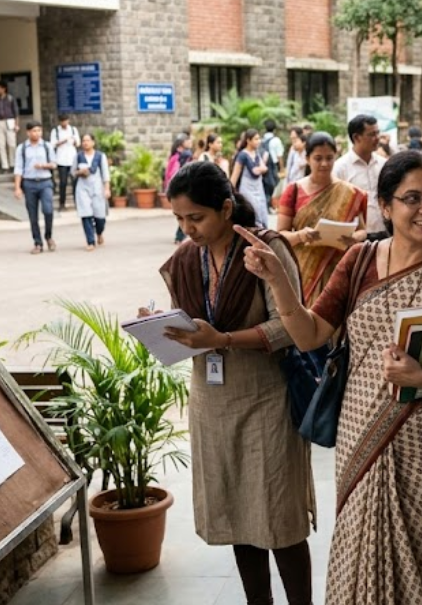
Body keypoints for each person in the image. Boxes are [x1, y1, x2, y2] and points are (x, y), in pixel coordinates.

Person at [237, 150, 422, 605]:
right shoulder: (359, 261)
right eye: (413, 198)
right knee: (358, 557)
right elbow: (310, 335)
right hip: (362, 433)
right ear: (385, 206)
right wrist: (278, 282)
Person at [146, 161, 315, 605]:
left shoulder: (264, 250)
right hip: (212, 403)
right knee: (238, 513)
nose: (188, 229)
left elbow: (289, 327)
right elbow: (189, 324)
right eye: (179, 219)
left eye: (196, 218)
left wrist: (221, 339)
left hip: (267, 399)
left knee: (280, 515)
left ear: (225, 208)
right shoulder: (186, 259)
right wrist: (162, 327)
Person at [276, 132, 368, 304]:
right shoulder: (293, 190)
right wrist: (300, 235)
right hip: (302, 271)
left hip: (339, 271)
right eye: (318, 158)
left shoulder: (349, 192)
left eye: (329, 158)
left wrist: (354, 238)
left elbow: (363, 230)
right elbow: (280, 235)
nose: (324, 164)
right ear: (307, 158)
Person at [332, 115, 386, 234]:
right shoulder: (340, 168)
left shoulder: (383, 164)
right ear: (356, 137)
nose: (377, 138)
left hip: (384, 231)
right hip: (355, 236)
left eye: (378, 133)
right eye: (372, 134)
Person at [13, 121, 57, 254]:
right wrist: (17, 187)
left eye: (39, 131)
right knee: (33, 215)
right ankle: (38, 242)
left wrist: (43, 166)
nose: (37, 133)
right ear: (28, 133)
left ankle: (48, 236)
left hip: (45, 182)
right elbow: (18, 168)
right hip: (29, 183)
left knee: (48, 210)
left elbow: (54, 164)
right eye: (34, 131)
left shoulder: (47, 146)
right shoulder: (22, 148)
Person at [73, 133, 110, 251]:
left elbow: (105, 174)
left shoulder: (100, 156)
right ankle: (90, 241)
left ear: (93, 142)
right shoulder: (78, 156)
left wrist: (107, 188)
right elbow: (72, 172)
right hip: (82, 188)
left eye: (88, 140)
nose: (85, 143)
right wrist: (80, 172)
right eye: (83, 141)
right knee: (86, 215)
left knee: (100, 217)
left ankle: (99, 232)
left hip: (97, 188)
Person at [231, 129, 271, 227]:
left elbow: (264, 168)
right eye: (256, 139)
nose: (259, 141)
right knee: (253, 212)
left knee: (262, 211)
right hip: (247, 189)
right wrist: (230, 191)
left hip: (258, 188)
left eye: (259, 139)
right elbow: (235, 175)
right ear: (248, 140)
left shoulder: (256, 153)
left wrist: (258, 169)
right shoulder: (242, 155)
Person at [51, 114, 80, 211]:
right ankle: (62, 203)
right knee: (63, 183)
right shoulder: (55, 131)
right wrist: (63, 141)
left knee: (75, 182)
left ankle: (77, 203)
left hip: (72, 159)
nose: (65, 123)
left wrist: (74, 140)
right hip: (61, 159)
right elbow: (52, 144)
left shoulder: (73, 130)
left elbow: (78, 143)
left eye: (66, 121)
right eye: (63, 121)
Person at [0, 80, 19, 172]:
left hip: (10, 121)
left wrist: (16, 124)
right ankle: (4, 166)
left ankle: (13, 164)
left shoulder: (10, 98)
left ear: (4, 89)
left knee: (12, 144)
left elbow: (16, 112)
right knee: (1, 145)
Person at [261, 122, 285, 211]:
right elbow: (279, 156)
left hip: (262, 166)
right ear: (274, 130)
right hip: (273, 166)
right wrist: (282, 168)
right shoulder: (276, 140)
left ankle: (266, 205)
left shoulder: (261, 140)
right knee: (273, 185)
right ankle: (268, 205)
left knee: (265, 185)